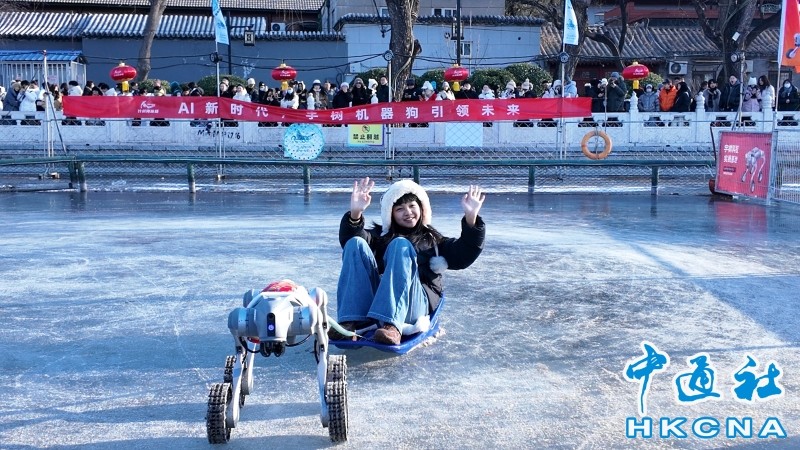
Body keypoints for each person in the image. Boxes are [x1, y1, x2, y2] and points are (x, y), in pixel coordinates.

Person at [331, 177, 486, 345]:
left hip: (415, 306)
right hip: (379, 303)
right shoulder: (379, 237)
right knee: (355, 243)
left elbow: (464, 253)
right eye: (400, 209)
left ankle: (392, 325)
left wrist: (471, 217)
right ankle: (350, 322)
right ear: (390, 213)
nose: (408, 212)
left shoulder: (434, 242)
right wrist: (355, 214)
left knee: (400, 244)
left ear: (421, 208)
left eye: (412, 206)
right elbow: (351, 242)